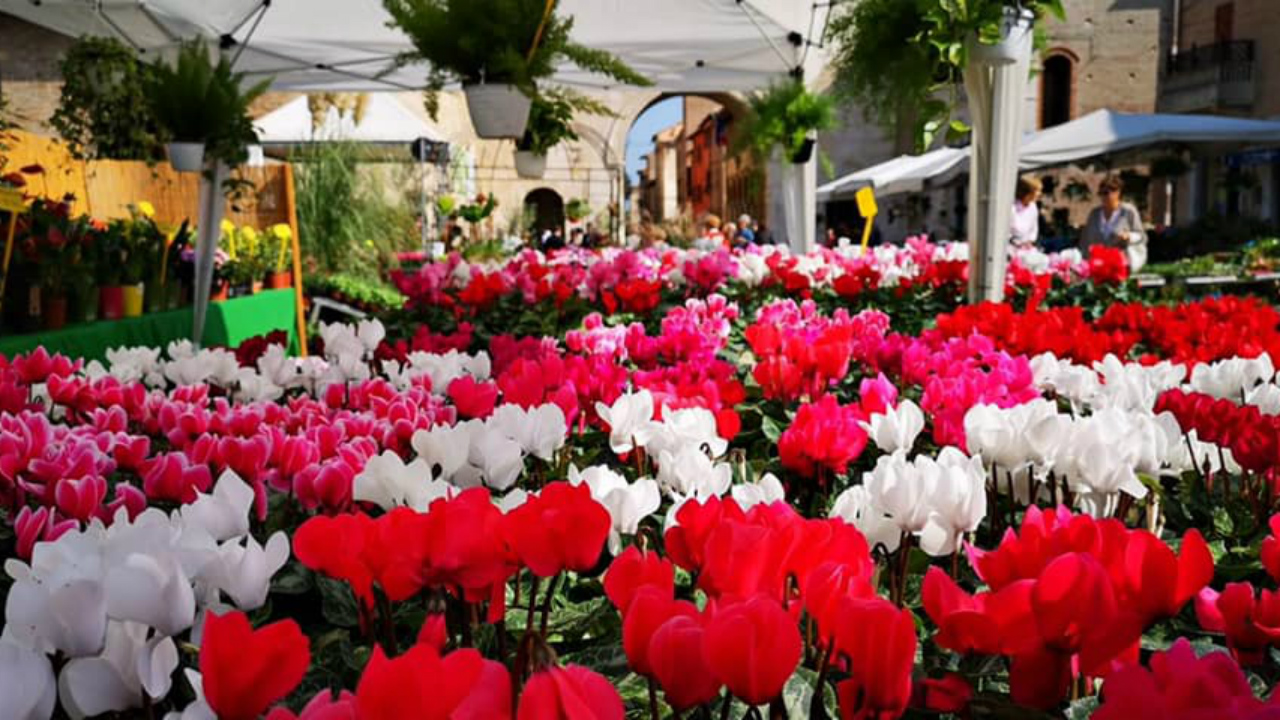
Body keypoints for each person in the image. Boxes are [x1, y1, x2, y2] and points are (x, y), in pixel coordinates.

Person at [1081, 176, 1148, 271]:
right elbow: (1085, 240)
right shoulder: (1094, 214)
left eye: (1106, 193)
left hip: (1121, 265)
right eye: (1101, 193)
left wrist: (1129, 236)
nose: (1103, 197)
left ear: (1117, 192)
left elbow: (1142, 237)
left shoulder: (1128, 211)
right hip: (1097, 266)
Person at [1011, 176, 1042, 249]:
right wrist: (1018, 243)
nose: (1039, 194)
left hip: (1026, 247)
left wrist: (1029, 241)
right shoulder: (1013, 207)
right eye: (1037, 191)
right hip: (1012, 247)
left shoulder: (1033, 206)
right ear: (1027, 192)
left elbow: (1034, 228)